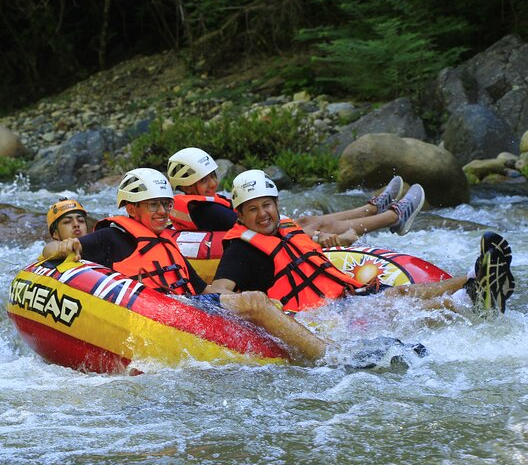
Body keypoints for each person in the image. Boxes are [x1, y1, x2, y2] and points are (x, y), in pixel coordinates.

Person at [41, 168, 331, 365]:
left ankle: (302, 347)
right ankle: (329, 357)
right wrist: (62, 246)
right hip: (156, 312)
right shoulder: (111, 237)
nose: (161, 212)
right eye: (152, 205)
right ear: (131, 209)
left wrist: (238, 294)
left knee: (260, 300)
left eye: (165, 205)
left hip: (187, 307)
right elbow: (51, 252)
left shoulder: (166, 241)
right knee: (255, 302)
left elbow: (202, 289)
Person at [210, 169, 516, 317]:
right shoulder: (242, 250)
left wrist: (333, 240)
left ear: (277, 204)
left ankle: (474, 280)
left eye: (267, 205)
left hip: (343, 294)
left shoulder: (285, 228)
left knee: (402, 292)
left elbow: (303, 255)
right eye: (253, 209)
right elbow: (218, 288)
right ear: (240, 215)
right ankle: (467, 303)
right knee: (396, 306)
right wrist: (249, 304)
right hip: (321, 315)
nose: (263, 214)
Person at [166, 147, 425, 247]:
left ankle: (370, 210)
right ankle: (393, 217)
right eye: (203, 180)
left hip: (251, 235)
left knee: (309, 219)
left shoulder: (195, 203)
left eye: (212, 176)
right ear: (185, 184)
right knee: (314, 225)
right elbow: (243, 224)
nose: (213, 183)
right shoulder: (203, 210)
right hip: (252, 241)